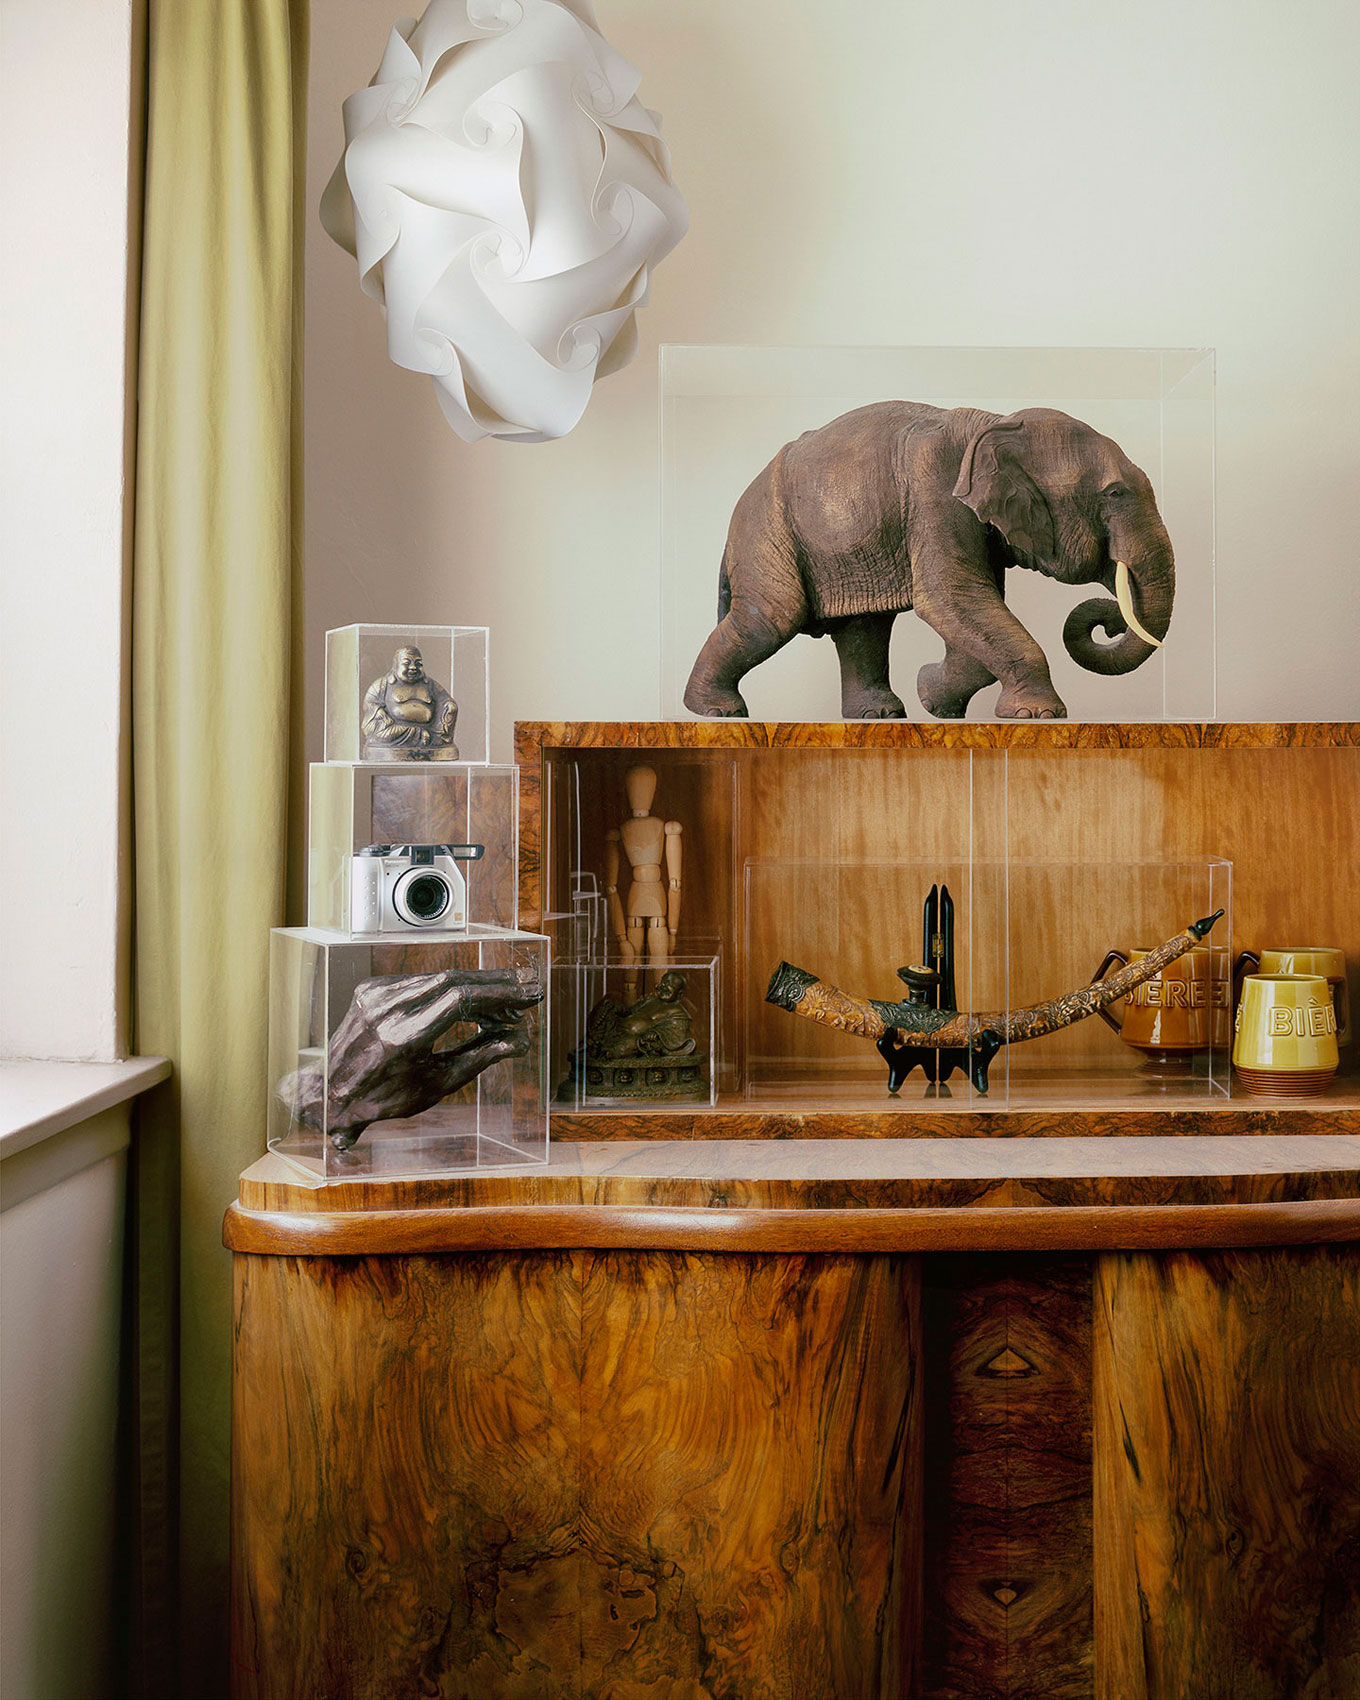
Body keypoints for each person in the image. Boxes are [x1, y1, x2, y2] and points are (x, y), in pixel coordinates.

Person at [360, 646, 459, 760]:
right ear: (396, 664)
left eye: (418, 663)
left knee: (442, 729)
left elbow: (445, 699)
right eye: (407, 663)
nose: (413, 667)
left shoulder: (431, 685)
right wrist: (379, 712)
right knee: (384, 735)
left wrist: (450, 705)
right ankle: (418, 734)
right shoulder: (382, 685)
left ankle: (427, 738)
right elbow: (370, 703)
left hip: (431, 733)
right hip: (396, 732)